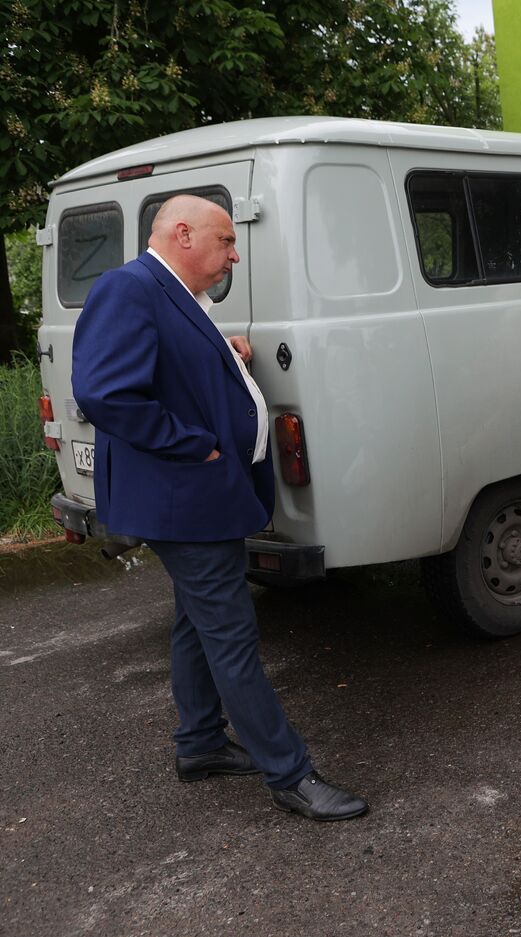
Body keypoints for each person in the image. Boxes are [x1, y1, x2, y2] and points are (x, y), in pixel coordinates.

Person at [70, 195, 367, 821]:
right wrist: (193, 445)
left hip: (200, 498)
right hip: (185, 499)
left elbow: (168, 366)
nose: (234, 253)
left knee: (193, 621)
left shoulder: (174, 291)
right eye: (227, 241)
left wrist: (223, 357)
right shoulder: (129, 287)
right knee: (231, 637)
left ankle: (200, 744)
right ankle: (290, 775)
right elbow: (104, 392)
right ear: (183, 234)